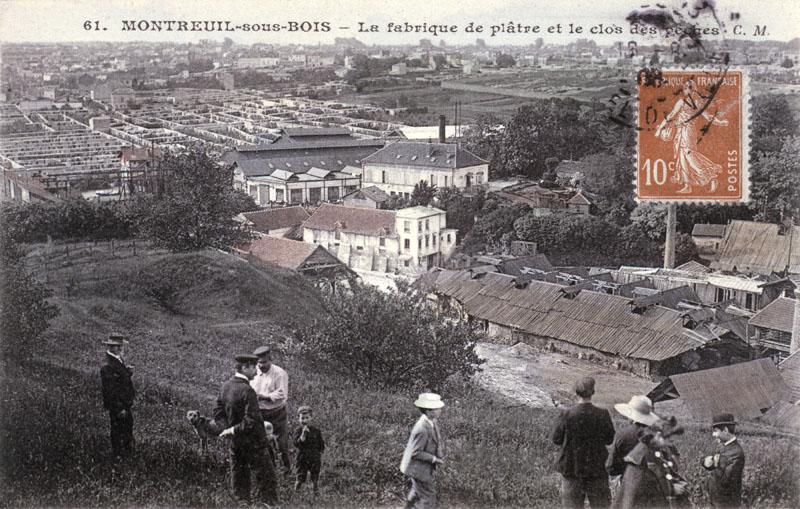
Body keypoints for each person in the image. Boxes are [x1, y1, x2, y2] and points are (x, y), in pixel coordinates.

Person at [214, 354, 278, 506]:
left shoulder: (225, 386)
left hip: (236, 442)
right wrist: (233, 430)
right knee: (266, 477)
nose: (256, 372)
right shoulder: (247, 390)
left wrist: (228, 430)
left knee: (239, 476)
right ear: (244, 368)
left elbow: (217, 413)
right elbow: (252, 420)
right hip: (254, 442)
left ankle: (242, 504)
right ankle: (268, 505)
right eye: (253, 368)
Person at [610, 395, 688, 509]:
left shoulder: (625, 436)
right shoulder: (648, 447)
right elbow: (660, 471)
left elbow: (611, 467)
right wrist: (671, 487)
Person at [654, 78, 730, 194]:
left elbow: (708, 117)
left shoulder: (697, 103)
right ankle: (687, 185)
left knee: (689, 155)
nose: (687, 90)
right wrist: (660, 129)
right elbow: (671, 116)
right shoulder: (681, 102)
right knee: (682, 157)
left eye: (689, 87)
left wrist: (720, 122)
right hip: (680, 132)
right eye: (685, 88)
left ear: (694, 89)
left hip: (688, 131)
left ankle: (711, 176)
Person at [551, 376, 616, 508]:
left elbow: (556, 439)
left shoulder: (566, 414)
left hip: (571, 469)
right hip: (596, 469)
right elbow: (609, 440)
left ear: (576, 392)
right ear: (593, 392)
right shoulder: (602, 414)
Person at [251, 345, 292, 474]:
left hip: (276, 412)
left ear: (270, 359)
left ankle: (286, 467)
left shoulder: (279, 373)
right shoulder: (254, 372)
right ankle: (271, 467)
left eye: (264, 362)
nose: (261, 365)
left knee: (281, 442)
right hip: (260, 413)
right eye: (259, 363)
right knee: (263, 440)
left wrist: (265, 397)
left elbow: (282, 394)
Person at [400, 393, 445, 509]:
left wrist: (439, 453)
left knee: (416, 491)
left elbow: (436, 439)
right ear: (428, 411)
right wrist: (434, 459)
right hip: (417, 469)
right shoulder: (422, 428)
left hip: (421, 467)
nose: (440, 410)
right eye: (437, 408)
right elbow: (416, 452)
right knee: (428, 496)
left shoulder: (432, 421)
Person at [100, 333, 135, 458]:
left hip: (124, 404)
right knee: (118, 430)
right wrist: (120, 407)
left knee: (125, 429)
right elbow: (111, 389)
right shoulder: (109, 364)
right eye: (117, 346)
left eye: (120, 346)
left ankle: (124, 455)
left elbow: (120, 381)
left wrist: (128, 373)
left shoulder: (117, 360)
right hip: (119, 405)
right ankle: (119, 456)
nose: (120, 348)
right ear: (110, 347)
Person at [702, 413, 745, 508]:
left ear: (725, 430)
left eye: (715, 431)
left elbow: (726, 481)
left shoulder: (737, 453)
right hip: (714, 500)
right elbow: (708, 459)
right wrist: (706, 462)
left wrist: (716, 464)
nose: (713, 435)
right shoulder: (721, 445)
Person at [292, 405, 325, 495]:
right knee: (300, 475)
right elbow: (296, 443)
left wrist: (320, 451)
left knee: (315, 474)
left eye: (307, 418)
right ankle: (297, 492)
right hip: (302, 457)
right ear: (298, 419)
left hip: (314, 456)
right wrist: (303, 435)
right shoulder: (298, 431)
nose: (305, 421)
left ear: (311, 418)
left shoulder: (316, 431)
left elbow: (320, 443)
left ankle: (315, 490)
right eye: (302, 418)